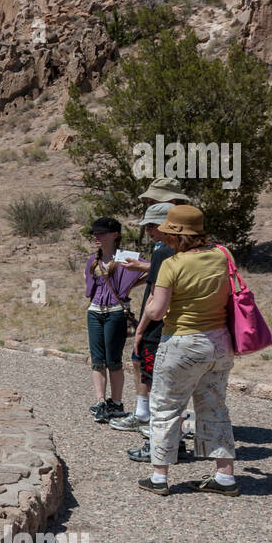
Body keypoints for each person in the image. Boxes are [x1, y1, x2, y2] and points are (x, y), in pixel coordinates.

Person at [137, 204, 238, 496]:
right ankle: (225, 476)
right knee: (214, 406)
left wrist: (154, 295)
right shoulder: (223, 255)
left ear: (177, 235)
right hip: (219, 343)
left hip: (182, 342)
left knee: (166, 408)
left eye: (169, 232)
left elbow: (157, 311)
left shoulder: (172, 264)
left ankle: (159, 477)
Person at [114, 202, 191, 462]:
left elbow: (155, 301)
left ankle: (157, 448)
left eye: (151, 225)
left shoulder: (162, 252)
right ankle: (176, 441)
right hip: (189, 330)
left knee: (158, 390)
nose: (148, 231)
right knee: (175, 391)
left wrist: (140, 330)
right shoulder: (197, 251)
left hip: (157, 329)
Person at [85, 217, 145, 422]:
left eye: (101, 233)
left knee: (114, 360)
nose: (96, 237)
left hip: (116, 312)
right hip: (94, 311)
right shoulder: (92, 260)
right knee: (97, 360)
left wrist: (130, 287)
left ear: (115, 235)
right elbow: (90, 289)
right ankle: (101, 402)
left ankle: (117, 403)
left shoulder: (126, 257)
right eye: (95, 233)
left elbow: (154, 268)